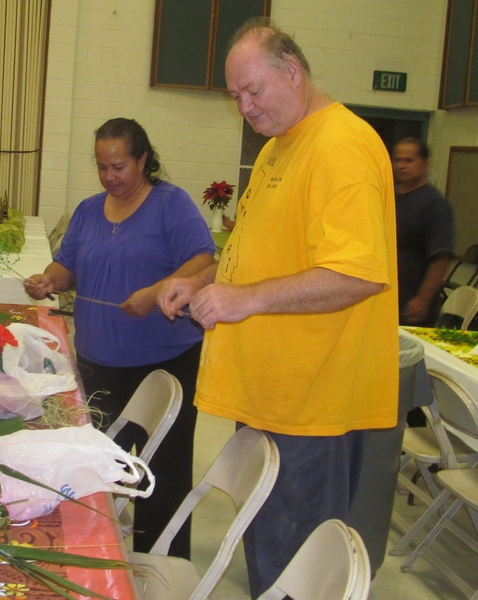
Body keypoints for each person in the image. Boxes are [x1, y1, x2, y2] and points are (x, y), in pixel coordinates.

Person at [158, 20, 398, 598]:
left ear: (292, 71)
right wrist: (202, 280)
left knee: (293, 565)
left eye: (253, 91)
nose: (244, 107)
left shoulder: (341, 145)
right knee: (267, 550)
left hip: (311, 402)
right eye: (235, 96)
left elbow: (358, 273)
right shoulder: (275, 148)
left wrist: (245, 299)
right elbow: (257, 253)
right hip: (270, 393)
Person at [25, 117, 215, 558]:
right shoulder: (89, 210)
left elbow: (203, 261)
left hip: (163, 364)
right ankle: (99, 557)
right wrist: (48, 280)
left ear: (143, 160)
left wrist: (155, 292)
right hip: (98, 363)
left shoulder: (172, 205)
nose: (110, 177)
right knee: (97, 464)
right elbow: (67, 265)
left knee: (159, 471)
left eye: (119, 167)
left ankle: (159, 565)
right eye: (102, 167)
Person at [393, 137, 454, 326]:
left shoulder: (434, 204)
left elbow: (440, 257)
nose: (402, 166)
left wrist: (423, 299)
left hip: (412, 304)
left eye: (409, 160)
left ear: (424, 164)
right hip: (387, 299)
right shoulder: (390, 196)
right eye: (398, 160)